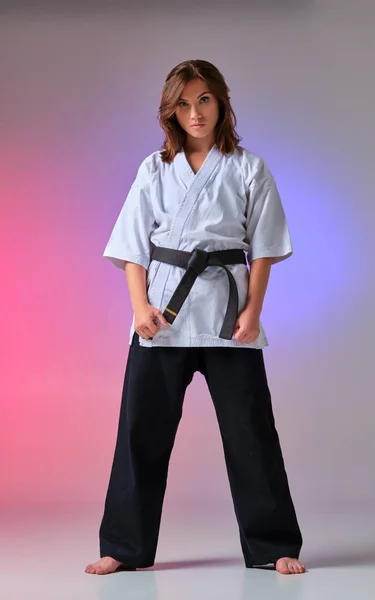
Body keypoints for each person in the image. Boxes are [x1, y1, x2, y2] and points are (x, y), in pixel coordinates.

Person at [85, 59, 306, 576]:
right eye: (183, 103)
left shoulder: (249, 167)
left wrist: (253, 312)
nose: (195, 112)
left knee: (251, 431)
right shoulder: (154, 169)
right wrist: (139, 308)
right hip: (162, 314)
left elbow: (265, 249)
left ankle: (273, 545)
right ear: (171, 112)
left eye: (203, 99)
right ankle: (124, 545)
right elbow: (133, 247)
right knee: (141, 430)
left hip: (229, 314)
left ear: (221, 102)